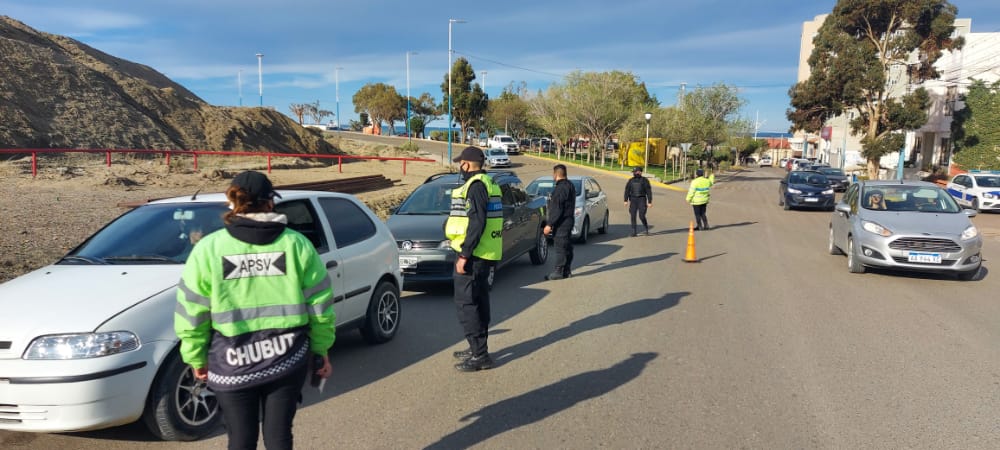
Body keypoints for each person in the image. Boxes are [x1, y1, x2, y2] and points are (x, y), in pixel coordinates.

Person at [175, 171, 335, 450]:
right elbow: (320, 305)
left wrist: (196, 357)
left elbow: (192, 311)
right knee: (279, 436)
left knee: (240, 438)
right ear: (270, 203)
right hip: (287, 358)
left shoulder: (208, 249)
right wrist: (321, 351)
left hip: (230, 361)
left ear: (232, 203)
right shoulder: (296, 245)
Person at [444, 146, 503, 372]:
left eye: (461, 163)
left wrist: (464, 254)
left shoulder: (476, 187)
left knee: (467, 304)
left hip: (474, 255)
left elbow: (477, 223)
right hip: (485, 253)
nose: (460, 167)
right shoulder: (489, 184)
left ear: (466, 165)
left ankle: (480, 355)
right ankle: (477, 347)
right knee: (479, 301)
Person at [543, 164, 575, 280]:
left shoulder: (560, 189)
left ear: (556, 174)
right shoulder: (570, 185)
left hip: (562, 222)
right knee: (567, 246)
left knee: (560, 246)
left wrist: (549, 224)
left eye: (553, 174)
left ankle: (559, 271)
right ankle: (567, 270)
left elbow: (557, 208)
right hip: (569, 220)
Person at [624, 167, 652, 236]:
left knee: (641, 215)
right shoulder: (631, 180)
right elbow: (627, 190)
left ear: (640, 172)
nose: (634, 173)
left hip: (642, 199)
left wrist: (649, 201)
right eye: (633, 172)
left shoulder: (645, 180)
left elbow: (648, 191)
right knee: (633, 215)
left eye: (635, 172)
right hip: (633, 199)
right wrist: (625, 200)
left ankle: (646, 228)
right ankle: (634, 231)